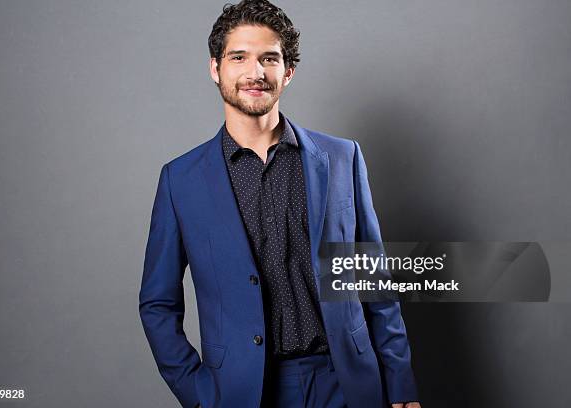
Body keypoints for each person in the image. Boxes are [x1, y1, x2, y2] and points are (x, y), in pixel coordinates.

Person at [139, 1, 421, 407]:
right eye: (239, 57)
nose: (255, 72)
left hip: (347, 383)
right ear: (215, 68)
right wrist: (199, 394)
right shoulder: (180, 181)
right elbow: (157, 304)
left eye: (269, 58)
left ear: (287, 72)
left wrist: (399, 384)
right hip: (246, 392)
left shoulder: (342, 158)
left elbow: (375, 282)